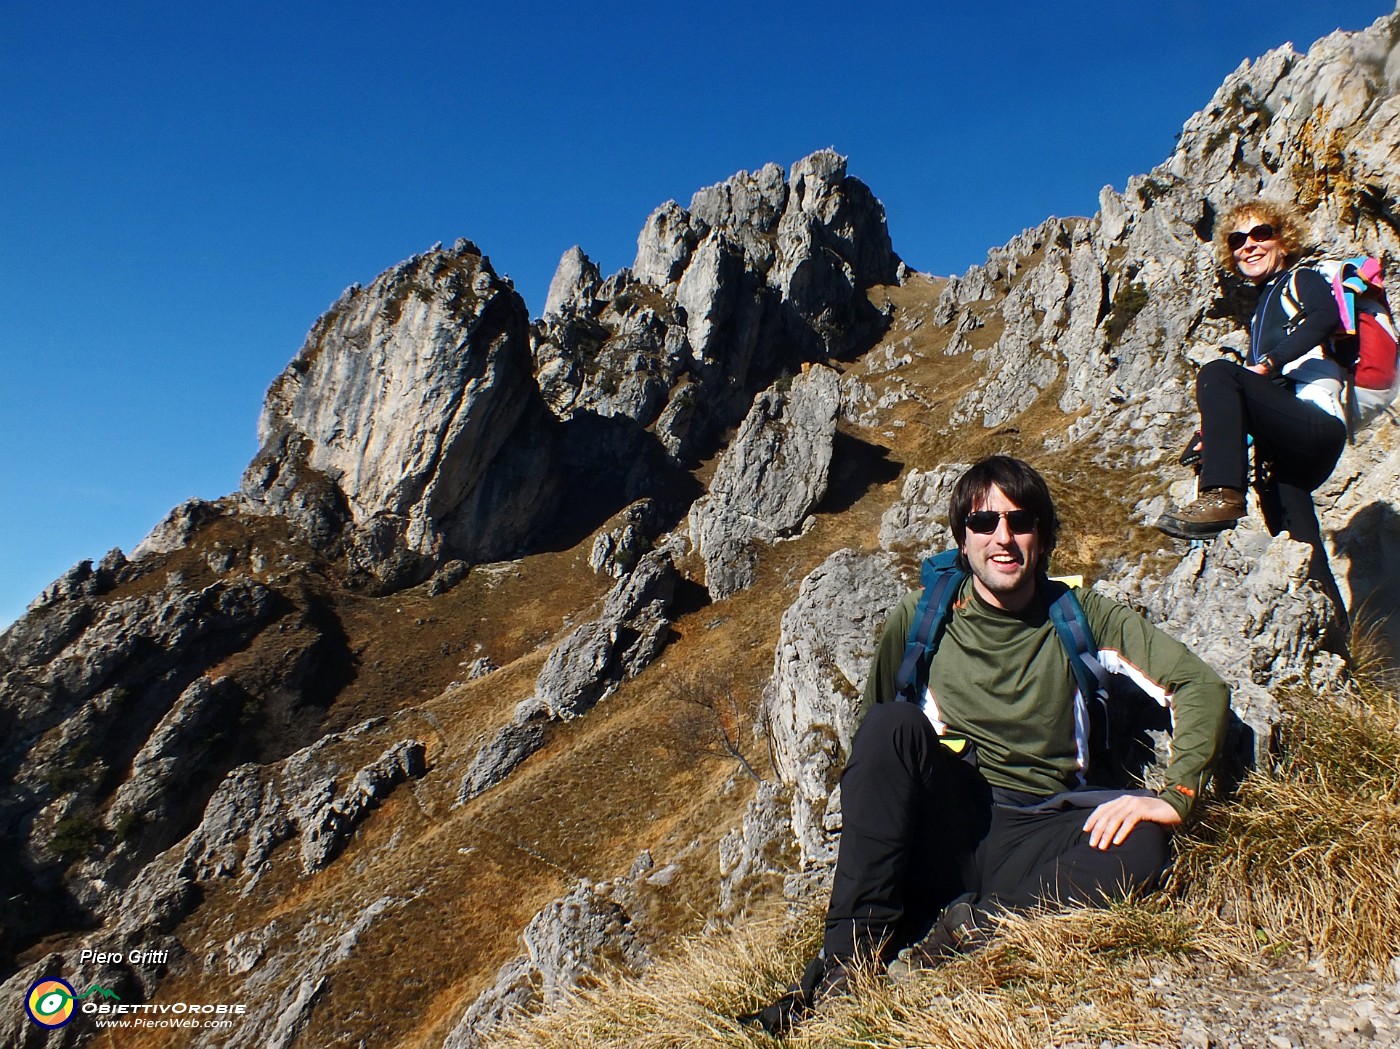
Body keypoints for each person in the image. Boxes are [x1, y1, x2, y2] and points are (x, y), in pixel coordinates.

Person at [742, 456, 1229, 1033]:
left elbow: (1199, 684)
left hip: (1043, 828)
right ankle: (844, 967)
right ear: (963, 538)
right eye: (983, 523)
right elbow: (878, 736)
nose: (1003, 537)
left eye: (1020, 522)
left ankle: (973, 930)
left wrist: (1175, 796)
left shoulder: (1083, 617)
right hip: (956, 822)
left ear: (1042, 537)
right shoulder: (923, 620)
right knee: (890, 726)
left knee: (1144, 844)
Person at [1155, 199, 1348, 634]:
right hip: (1289, 446)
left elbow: (1325, 316)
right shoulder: (1263, 307)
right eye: (1238, 239)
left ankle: (1222, 496)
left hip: (1316, 423)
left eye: (1261, 234)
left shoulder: (1303, 277)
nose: (1249, 246)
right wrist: (1212, 436)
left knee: (1219, 372)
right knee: (1296, 538)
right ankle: (1335, 635)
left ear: (1284, 239)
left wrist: (1268, 362)